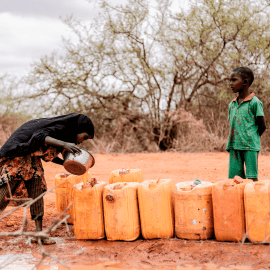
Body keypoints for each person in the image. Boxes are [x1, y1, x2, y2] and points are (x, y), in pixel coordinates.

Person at [0, 113, 94, 244]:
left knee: (37, 191)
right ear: (78, 128)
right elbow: (39, 137)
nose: (81, 141)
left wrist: (66, 164)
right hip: (18, 154)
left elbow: (46, 153)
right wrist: (64, 144)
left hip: (32, 157)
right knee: (4, 194)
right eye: (84, 137)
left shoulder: (65, 134)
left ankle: (39, 234)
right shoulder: (60, 128)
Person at [227, 67, 266, 181]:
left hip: (250, 147)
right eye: (230, 80)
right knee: (234, 180)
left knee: (251, 179)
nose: (231, 83)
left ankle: (252, 199)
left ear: (245, 82)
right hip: (234, 146)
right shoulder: (232, 104)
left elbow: (262, 126)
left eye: (234, 80)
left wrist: (251, 137)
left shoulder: (255, 103)